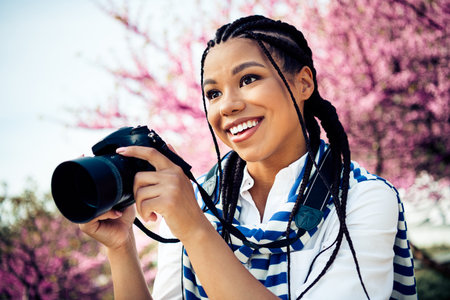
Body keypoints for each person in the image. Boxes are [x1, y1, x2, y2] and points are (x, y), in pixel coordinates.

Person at [79, 15, 416, 300]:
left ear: (304, 83)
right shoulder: (195, 202)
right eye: (213, 93)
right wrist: (121, 248)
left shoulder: (363, 199)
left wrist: (195, 229)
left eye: (249, 79)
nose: (227, 105)